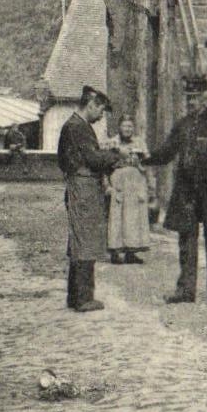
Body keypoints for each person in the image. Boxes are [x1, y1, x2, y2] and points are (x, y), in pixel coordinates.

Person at [144, 72, 207, 306]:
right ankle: (186, 290)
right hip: (188, 190)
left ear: (204, 96)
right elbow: (168, 152)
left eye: (195, 96)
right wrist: (145, 159)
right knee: (186, 240)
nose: (191, 101)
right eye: (188, 97)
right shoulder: (182, 125)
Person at [56, 85, 119, 313]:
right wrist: (114, 155)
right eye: (100, 110)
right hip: (83, 188)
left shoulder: (74, 126)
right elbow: (93, 158)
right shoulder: (78, 127)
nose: (102, 116)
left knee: (78, 241)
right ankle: (83, 298)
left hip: (79, 186)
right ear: (91, 104)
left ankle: (75, 296)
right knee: (85, 241)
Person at [106, 116, 150, 265]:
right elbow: (105, 164)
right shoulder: (112, 142)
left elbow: (147, 162)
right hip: (119, 180)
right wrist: (107, 185)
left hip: (135, 182)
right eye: (125, 126)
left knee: (133, 217)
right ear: (120, 127)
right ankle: (115, 252)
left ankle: (131, 252)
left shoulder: (139, 142)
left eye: (130, 126)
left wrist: (141, 160)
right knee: (117, 215)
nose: (128, 129)